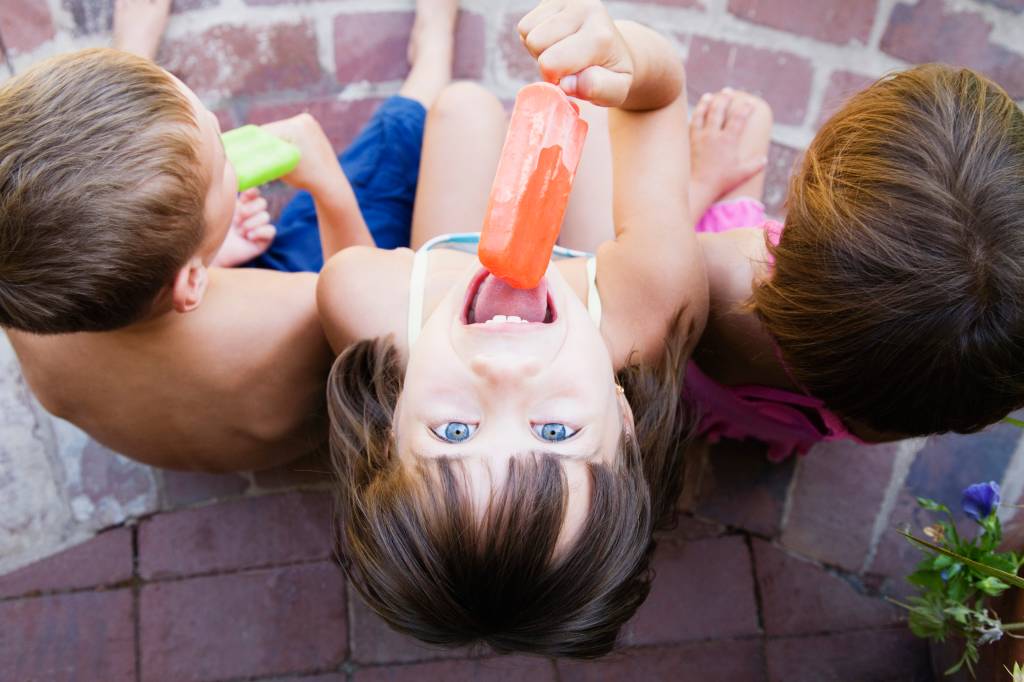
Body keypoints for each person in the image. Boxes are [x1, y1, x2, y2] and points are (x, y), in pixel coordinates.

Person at [317, 0, 704, 658]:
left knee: (462, 106)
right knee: (590, 113)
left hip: (449, 253)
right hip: (597, 265)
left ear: (391, 424)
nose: (503, 372)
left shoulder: (365, 299)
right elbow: (659, 99)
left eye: (454, 432)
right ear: (623, 419)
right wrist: (626, 60)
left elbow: (354, 259)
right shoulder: (650, 298)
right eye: (555, 432)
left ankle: (432, 54)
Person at [0, 0, 460, 470]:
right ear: (190, 282)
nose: (231, 148)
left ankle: (129, 65)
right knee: (417, 138)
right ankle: (431, 56)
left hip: (189, 396)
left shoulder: (19, 273)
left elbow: (74, 221)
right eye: (221, 158)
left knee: (129, 163)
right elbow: (367, 298)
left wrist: (209, 254)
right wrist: (329, 187)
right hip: (303, 357)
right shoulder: (289, 313)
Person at [684, 66, 1024, 461]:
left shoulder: (722, 269)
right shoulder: (932, 387)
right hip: (790, 415)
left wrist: (702, 181)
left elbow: (644, 258)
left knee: (748, 114)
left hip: (690, 371)